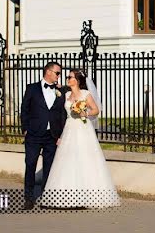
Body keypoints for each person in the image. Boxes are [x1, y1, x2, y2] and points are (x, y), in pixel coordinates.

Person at [40, 69, 121, 208]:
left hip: (83, 129)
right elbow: (59, 114)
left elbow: (96, 109)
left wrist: (85, 112)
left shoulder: (85, 94)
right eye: (67, 77)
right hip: (69, 129)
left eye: (70, 77)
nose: (67, 79)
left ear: (77, 80)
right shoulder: (65, 95)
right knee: (67, 160)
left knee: (85, 159)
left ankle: (87, 196)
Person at [20, 61, 67, 209]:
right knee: (30, 164)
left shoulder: (61, 92)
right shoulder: (32, 88)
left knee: (49, 167)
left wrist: (60, 134)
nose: (59, 76)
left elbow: (62, 113)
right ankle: (29, 198)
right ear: (48, 72)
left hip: (51, 135)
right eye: (57, 73)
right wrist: (25, 129)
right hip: (33, 134)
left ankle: (46, 198)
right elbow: (24, 110)